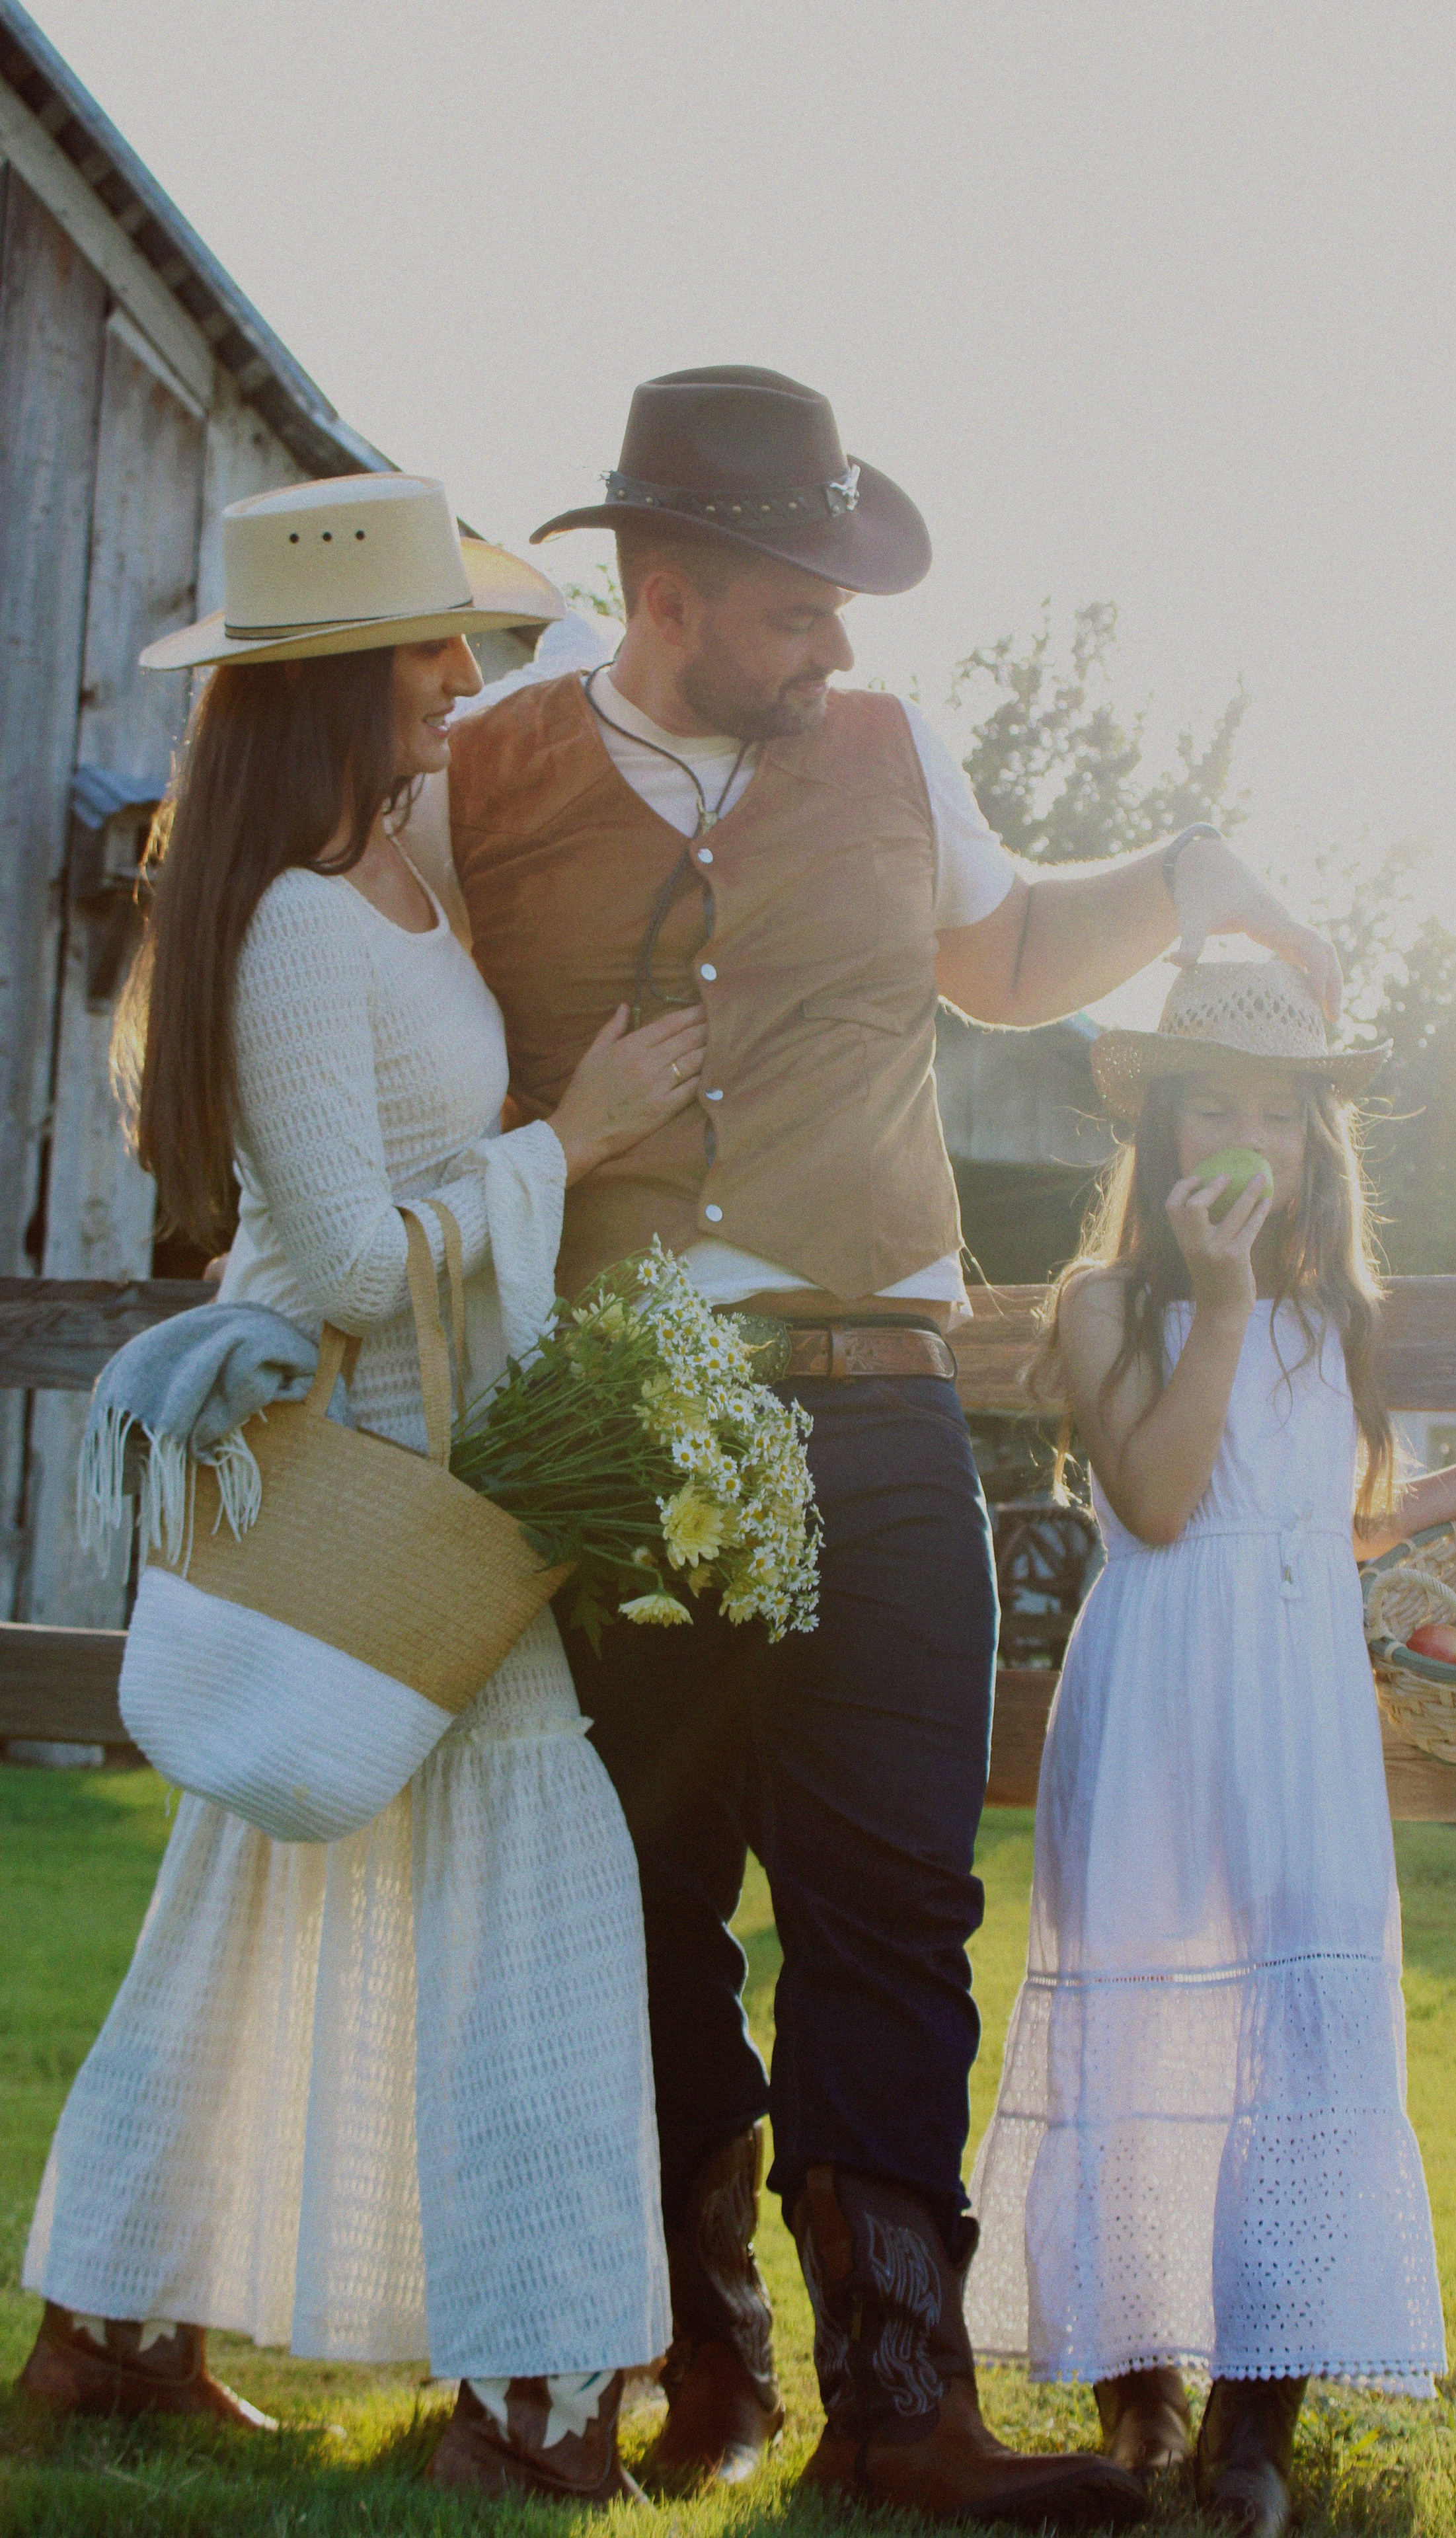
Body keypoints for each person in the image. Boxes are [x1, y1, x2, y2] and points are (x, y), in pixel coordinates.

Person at [409, 364, 1346, 2525]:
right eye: (796, 599)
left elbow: (1008, 955)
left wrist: (1194, 869)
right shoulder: (481, 783)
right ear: (666, 586)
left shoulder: (897, 748)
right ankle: (701, 2360)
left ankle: (899, 2406)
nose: (838, 636)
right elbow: (381, 1036)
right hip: (618, 1439)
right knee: (633, 1901)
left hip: (887, 1417)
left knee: (896, 1904)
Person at [18, 475, 698, 2510]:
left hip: (441, 1447)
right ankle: (535, 2397)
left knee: (259, 1877)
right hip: (386, 1475)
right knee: (543, 1886)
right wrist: (569, 1143)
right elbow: (316, 1258)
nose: (457, 669)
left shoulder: (398, 859)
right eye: (421, 642)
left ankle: (110, 2330)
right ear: (332, 681)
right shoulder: (299, 929)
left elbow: (583, 676)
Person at [964, 956, 1456, 2537]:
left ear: (1318, 1143)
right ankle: (1140, 2382)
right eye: (1212, 1109)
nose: (1246, 1135)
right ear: (1161, 1138)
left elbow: (1332, 1523)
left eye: (1278, 1109)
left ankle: (1261, 2412)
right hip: (1162, 1684)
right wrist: (1226, 1295)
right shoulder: (1111, 1300)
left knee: (1306, 2022)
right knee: (1145, 2011)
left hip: (1299, 1694)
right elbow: (1172, 1500)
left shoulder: (1335, 1315)